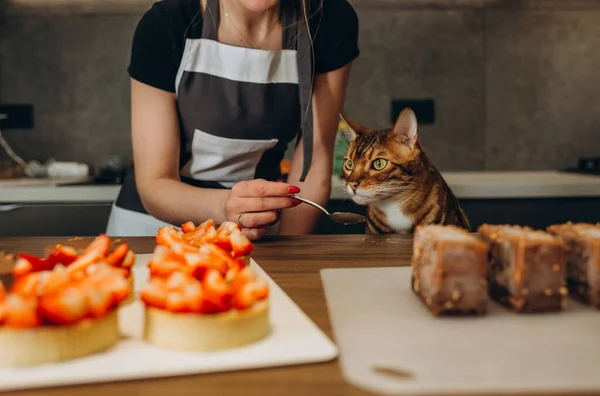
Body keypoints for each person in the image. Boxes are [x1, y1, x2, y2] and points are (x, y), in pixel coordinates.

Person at [105, 0, 360, 240]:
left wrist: (288, 252)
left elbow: (313, 159)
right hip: (154, 231)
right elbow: (155, 183)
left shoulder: (328, 20)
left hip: (260, 229)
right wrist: (226, 207)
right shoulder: (166, 24)